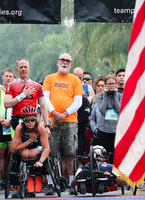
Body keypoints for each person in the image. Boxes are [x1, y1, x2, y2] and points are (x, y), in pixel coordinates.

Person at [43, 53, 83, 195]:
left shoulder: (75, 80)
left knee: (70, 153)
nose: (65, 62)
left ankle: (72, 182)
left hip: (70, 121)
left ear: (71, 64)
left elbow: (78, 101)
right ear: (57, 62)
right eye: (62, 60)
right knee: (50, 153)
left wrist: (64, 113)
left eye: (68, 61)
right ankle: (51, 183)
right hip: (52, 120)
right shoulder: (49, 78)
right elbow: (45, 98)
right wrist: (54, 113)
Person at [4, 58, 50, 136]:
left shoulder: (37, 86)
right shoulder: (11, 85)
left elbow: (43, 106)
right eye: (21, 67)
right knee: (18, 147)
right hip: (17, 120)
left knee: (34, 146)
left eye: (25, 67)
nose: (23, 69)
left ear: (29, 68)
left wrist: (47, 125)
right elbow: (6, 104)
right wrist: (23, 95)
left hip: (32, 120)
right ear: (17, 69)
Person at [11, 105, 50, 197]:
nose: (30, 123)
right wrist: (30, 140)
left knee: (32, 153)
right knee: (25, 154)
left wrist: (41, 161)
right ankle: (23, 181)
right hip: (25, 147)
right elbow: (14, 148)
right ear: (23, 120)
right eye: (27, 120)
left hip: (38, 146)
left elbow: (46, 148)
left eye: (32, 120)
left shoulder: (40, 128)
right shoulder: (19, 128)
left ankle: (37, 176)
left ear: (35, 119)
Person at [0, 67, 15, 187]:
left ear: (13, 78)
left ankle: (11, 179)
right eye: (6, 76)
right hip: (0, 124)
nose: (8, 78)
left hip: (12, 125)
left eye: (10, 76)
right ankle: (0, 179)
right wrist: (0, 120)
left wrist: (11, 121)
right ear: (2, 77)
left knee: (12, 153)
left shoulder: (15, 90)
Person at [94, 75, 122, 161]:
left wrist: (114, 95)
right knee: (103, 155)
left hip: (115, 130)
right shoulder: (100, 96)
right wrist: (105, 94)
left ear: (116, 85)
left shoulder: (120, 96)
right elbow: (102, 110)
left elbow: (118, 109)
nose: (111, 86)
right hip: (103, 129)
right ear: (105, 85)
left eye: (113, 84)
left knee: (115, 155)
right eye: (109, 84)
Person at [73, 67, 91, 159]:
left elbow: (85, 114)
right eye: (75, 77)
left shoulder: (84, 98)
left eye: (79, 78)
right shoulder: (67, 96)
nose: (77, 80)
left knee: (80, 158)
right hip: (66, 132)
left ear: (82, 78)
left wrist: (73, 123)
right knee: (66, 158)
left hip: (80, 132)